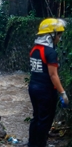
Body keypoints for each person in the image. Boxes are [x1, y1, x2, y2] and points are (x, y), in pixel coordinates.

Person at [28, 18, 69, 147]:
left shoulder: (35, 49)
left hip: (33, 87)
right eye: (58, 35)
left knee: (37, 117)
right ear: (51, 35)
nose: (59, 38)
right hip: (45, 90)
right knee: (45, 120)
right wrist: (62, 93)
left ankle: (32, 143)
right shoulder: (50, 52)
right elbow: (53, 75)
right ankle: (40, 144)